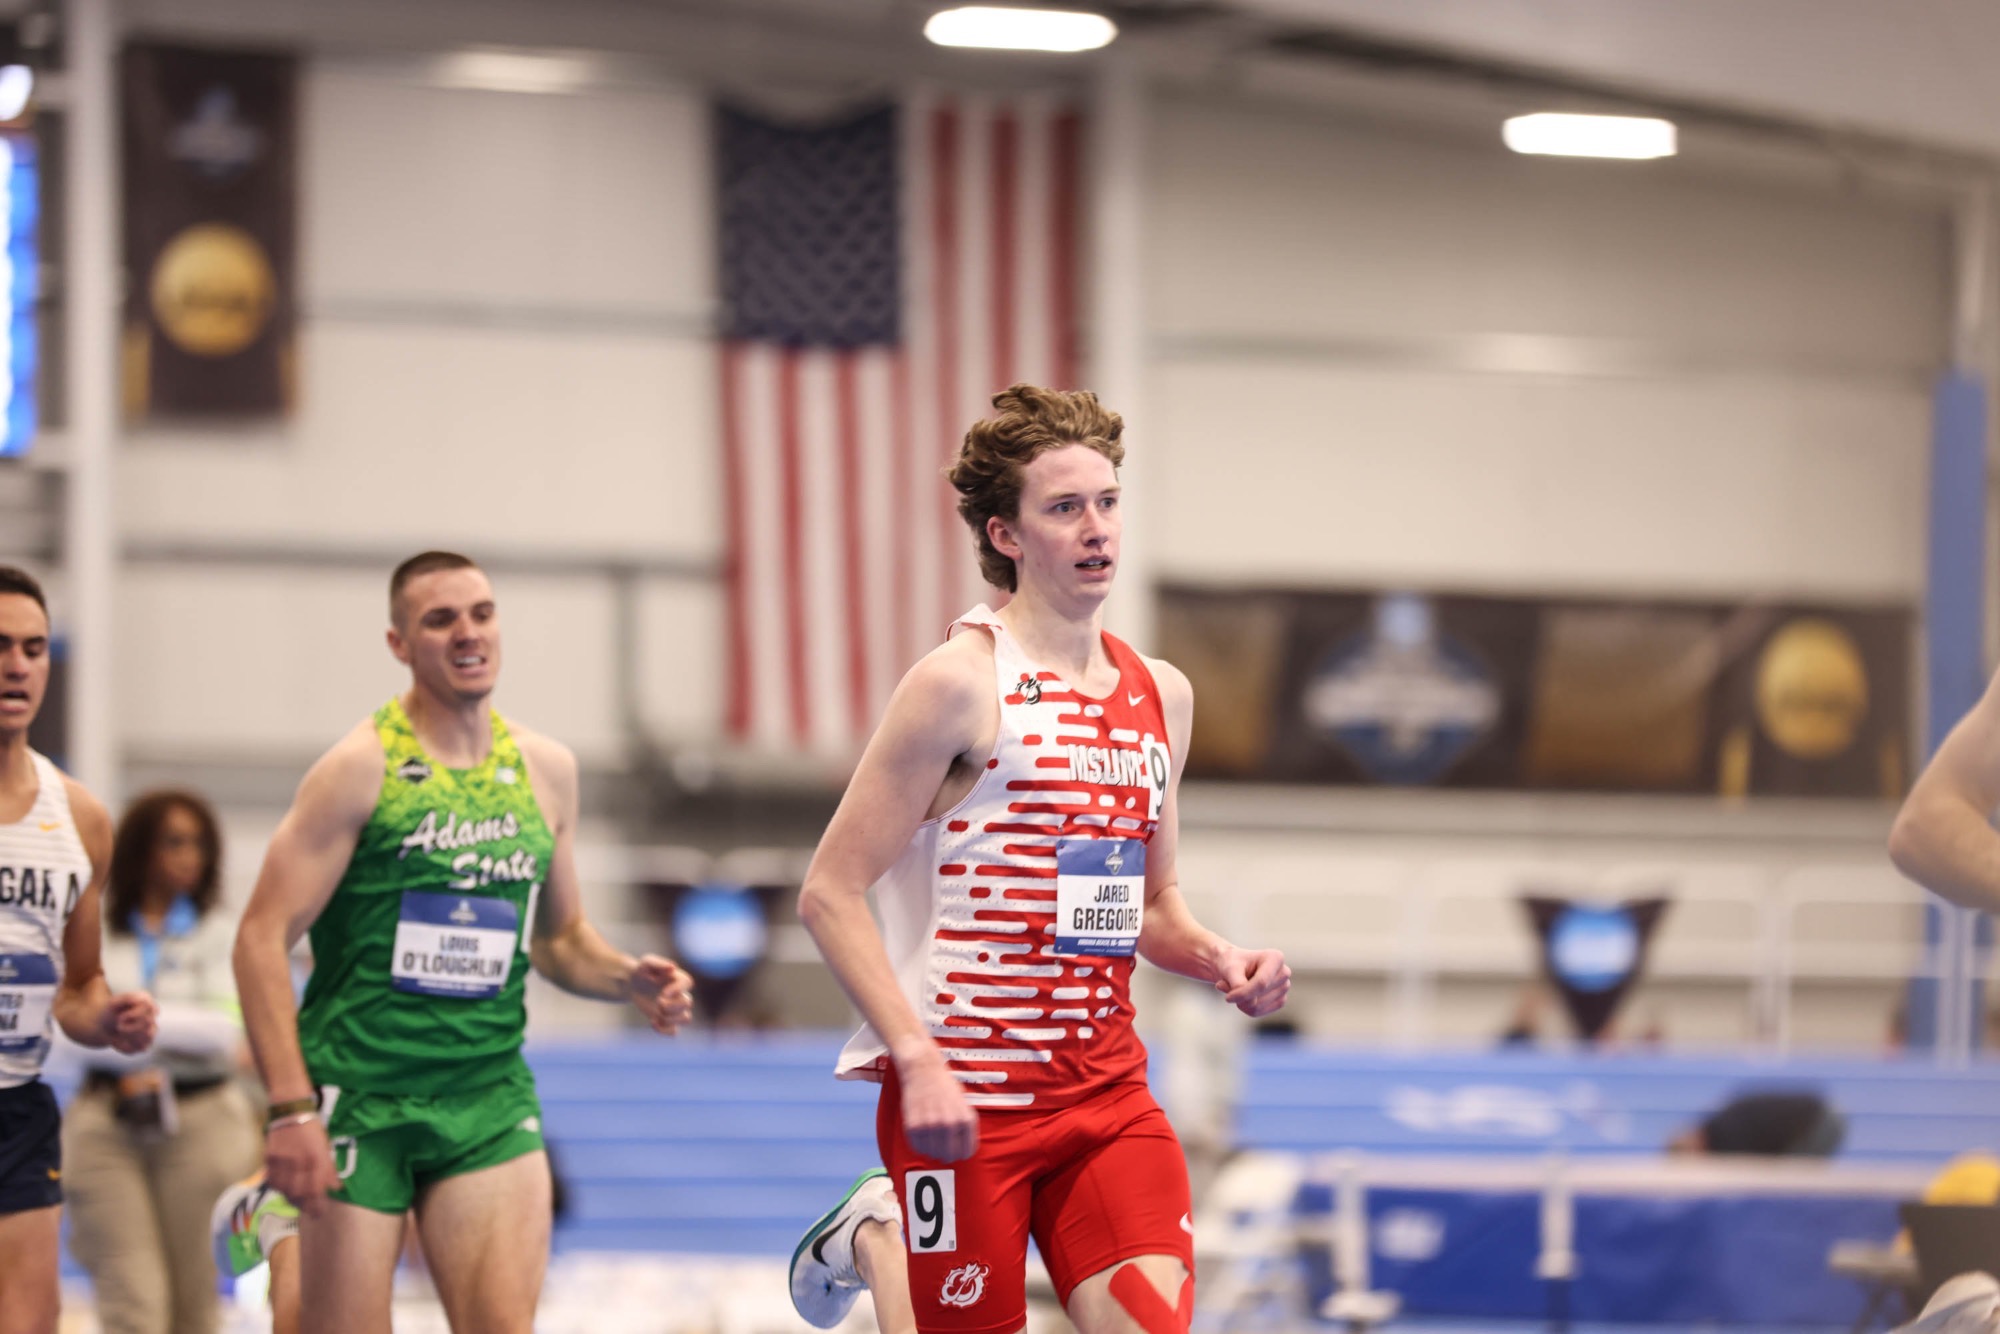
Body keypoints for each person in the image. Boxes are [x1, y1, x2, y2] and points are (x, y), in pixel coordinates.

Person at [786, 386, 1292, 1334]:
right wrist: (915, 1056)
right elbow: (829, 892)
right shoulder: (958, 685)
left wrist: (1222, 959)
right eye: (1065, 508)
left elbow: (1151, 906)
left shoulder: (1162, 696)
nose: (1096, 528)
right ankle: (878, 1233)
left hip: (1106, 1097)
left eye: (1106, 502)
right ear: (1006, 535)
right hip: (961, 1104)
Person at [230, 550, 696, 1334]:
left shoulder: (546, 771)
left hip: (486, 1098)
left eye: (481, 613)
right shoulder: (357, 770)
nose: (466, 633)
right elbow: (258, 938)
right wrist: (287, 1111)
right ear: (399, 644)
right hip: (360, 1097)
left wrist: (624, 976)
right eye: (439, 619)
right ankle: (282, 1241)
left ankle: (293, 1250)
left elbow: (560, 939)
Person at [0, 565, 158, 1334]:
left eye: (33, 648)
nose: (17, 665)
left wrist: (111, 1019)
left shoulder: (82, 817)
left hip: (18, 1108)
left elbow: (78, 987)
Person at [64, 789, 260, 1334]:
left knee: (195, 1303)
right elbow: (67, 1024)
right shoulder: (97, 929)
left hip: (202, 1121)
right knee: (135, 1303)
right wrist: (173, 1025)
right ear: (140, 849)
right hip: (106, 1121)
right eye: (174, 841)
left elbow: (225, 1032)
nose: (189, 855)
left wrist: (120, 1020)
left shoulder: (223, 934)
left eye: (199, 843)